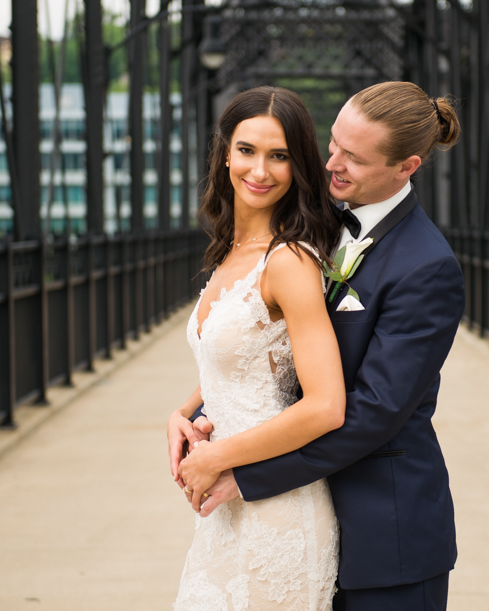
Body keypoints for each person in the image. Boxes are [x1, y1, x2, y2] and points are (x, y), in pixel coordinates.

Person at [173, 81, 465, 611]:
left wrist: (244, 473)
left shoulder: (427, 267)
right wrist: (189, 408)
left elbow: (370, 414)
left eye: (354, 158)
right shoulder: (316, 228)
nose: (333, 164)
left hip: (384, 534)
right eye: (333, 144)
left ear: (407, 166)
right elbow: (267, 347)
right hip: (299, 506)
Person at [168, 86, 346, 610]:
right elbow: (244, 360)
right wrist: (182, 412)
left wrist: (216, 456)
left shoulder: (289, 260)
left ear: (298, 166)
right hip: (226, 505)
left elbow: (326, 404)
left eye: (280, 156)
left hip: (277, 510)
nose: (260, 170)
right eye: (247, 150)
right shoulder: (230, 249)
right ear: (225, 153)